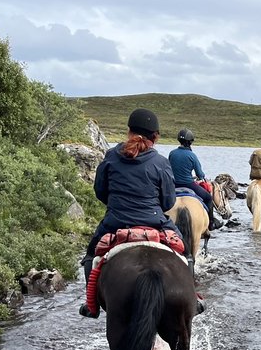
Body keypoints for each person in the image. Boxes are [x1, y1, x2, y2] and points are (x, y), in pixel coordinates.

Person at [79, 108, 190, 318]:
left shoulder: (111, 156)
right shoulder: (161, 162)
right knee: (185, 251)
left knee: (91, 254)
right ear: (155, 137)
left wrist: (117, 206)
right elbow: (168, 202)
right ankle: (194, 299)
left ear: (129, 130)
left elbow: (100, 191)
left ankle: (91, 306)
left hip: (115, 221)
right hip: (156, 222)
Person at [168, 128, 220, 230]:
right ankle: (211, 223)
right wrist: (200, 177)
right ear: (190, 141)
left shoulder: (172, 153)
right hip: (188, 184)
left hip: (174, 185)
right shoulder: (192, 155)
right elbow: (200, 174)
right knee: (208, 198)